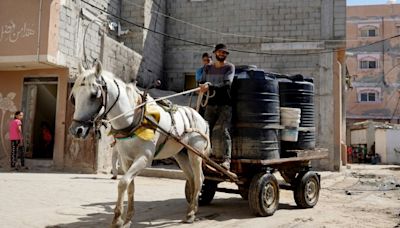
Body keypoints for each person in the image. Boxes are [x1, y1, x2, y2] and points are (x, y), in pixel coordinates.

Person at [199, 43, 235, 170]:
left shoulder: (229, 67)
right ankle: (206, 156)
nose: (222, 54)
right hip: (210, 104)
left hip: (225, 105)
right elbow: (202, 82)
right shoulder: (207, 68)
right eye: (219, 52)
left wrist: (210, 87)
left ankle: (227, 160)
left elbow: (227, 85)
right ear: (215, 53)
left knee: (224, 131)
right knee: (205, 130)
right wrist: (201, 88)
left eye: (224, 53)